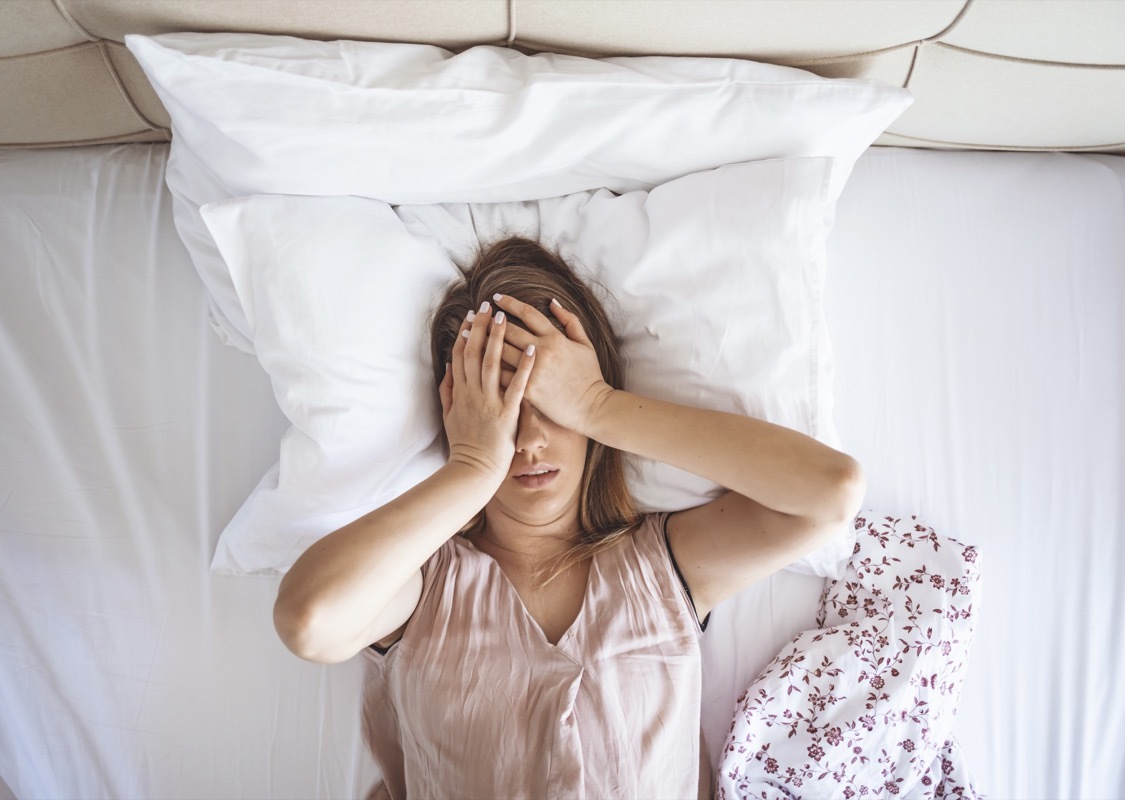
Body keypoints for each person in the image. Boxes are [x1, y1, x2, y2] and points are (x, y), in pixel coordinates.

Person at [273, 237, 866, 799]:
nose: (529, 439)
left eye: (550, 405)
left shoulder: (661, 569)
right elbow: (310, 620)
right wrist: (475, 465)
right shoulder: (424, 590)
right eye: (503, 408)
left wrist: (597, 406)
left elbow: (830, 492)